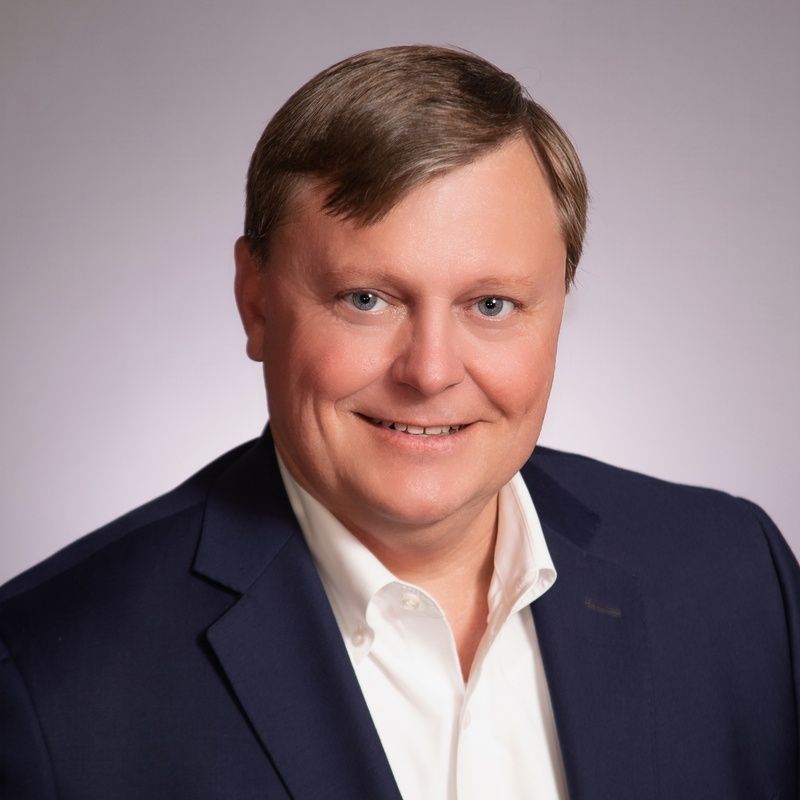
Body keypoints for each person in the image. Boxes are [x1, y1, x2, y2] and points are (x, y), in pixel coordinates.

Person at [0, 45, 796, 800]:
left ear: (559, 309)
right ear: (256, 303)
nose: (430, 372)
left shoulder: (736, 582)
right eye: (366, 300)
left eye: (491, 304)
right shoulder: (47, 675)